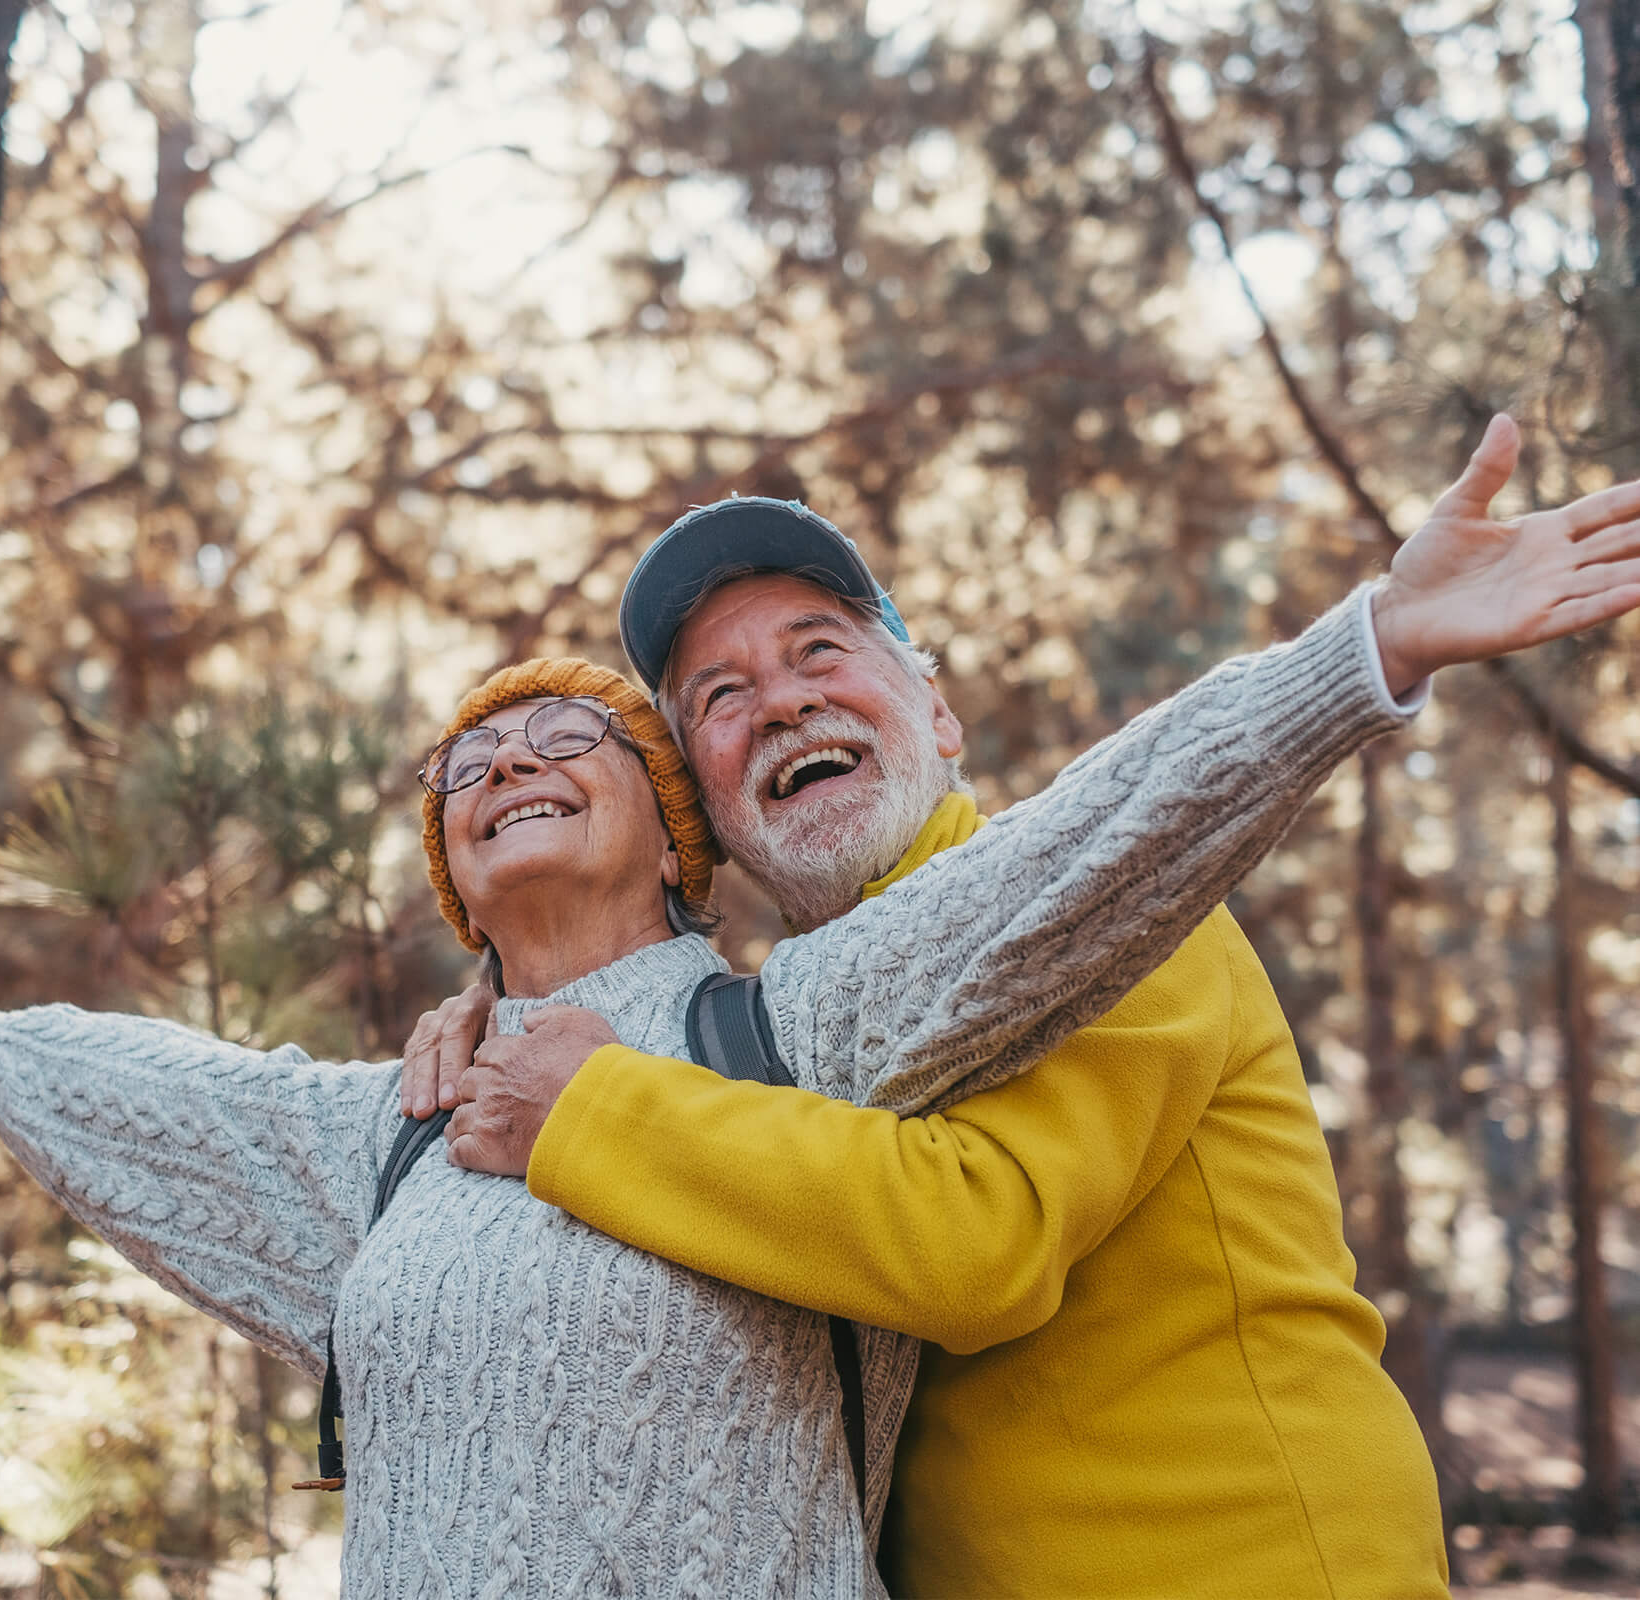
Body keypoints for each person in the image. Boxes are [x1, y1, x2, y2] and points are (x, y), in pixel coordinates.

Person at [0, 591, 1433, 1597]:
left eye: (567, 736)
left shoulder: (796, 1023)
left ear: (682, 842)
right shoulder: (398, 1126)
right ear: (453, 878)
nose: (506, 762)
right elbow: (183, 1097)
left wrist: (1361, 655)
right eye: (468, 767)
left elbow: (1095, 846)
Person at [410, 415, 1640, 1599]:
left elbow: (973, 1243)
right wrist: (497, 1004)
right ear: (710, 828)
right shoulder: (756, 1034)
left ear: (937, 716)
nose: (779, 701)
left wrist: (590, 1109)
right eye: (718, 698)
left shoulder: (1101, 904)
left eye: (820, 650)